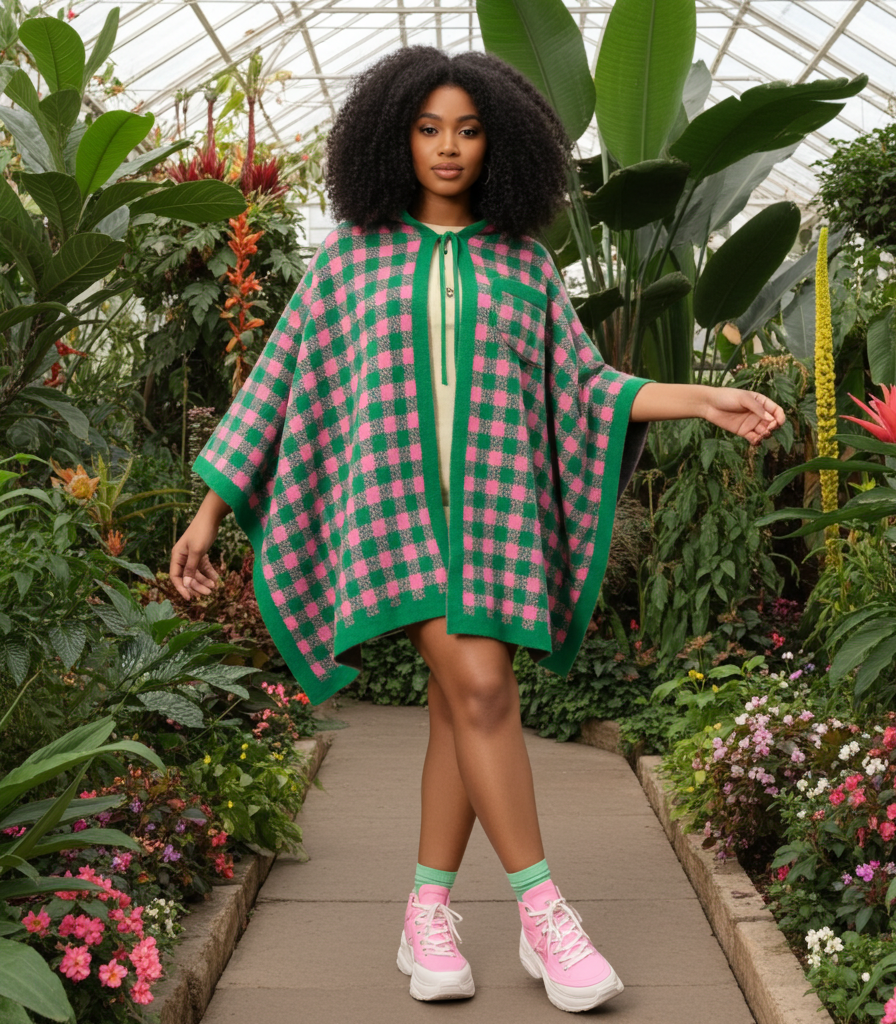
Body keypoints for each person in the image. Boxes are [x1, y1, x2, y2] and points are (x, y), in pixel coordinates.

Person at [170, 46, 785, 1013]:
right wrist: (209, 511)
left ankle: (425, 915)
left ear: (497, 141)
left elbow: (587, 387)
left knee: (462, 708)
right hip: (395, 523)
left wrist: (697, 396)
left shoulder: (524, 266)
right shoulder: (348, 265)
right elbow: (275, 388)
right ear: (393, 139)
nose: (447, 147)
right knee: (486, 688)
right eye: (427, 128)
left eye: (466, 128)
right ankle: (544, 911)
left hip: (493, 524)